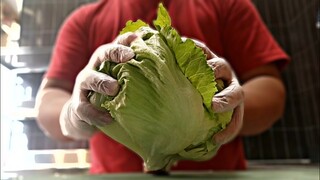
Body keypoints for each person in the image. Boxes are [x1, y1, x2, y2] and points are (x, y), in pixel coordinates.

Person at [35, 0, 290, 174]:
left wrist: (236, 102)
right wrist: (73, 113)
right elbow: (49, 98)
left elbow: (270, 87)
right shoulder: (83, 21)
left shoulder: (227, 5)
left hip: (215, 175)